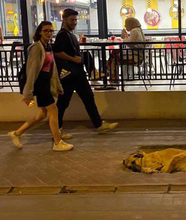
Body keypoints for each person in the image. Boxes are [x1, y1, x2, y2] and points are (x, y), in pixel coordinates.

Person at [8, 21, 73, 152]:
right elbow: (31, 71)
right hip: (40, 84)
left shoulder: (47, 47)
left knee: (42, 114)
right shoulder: (36, 48)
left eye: (51, 31)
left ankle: (16, 133)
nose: (49, 33)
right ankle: (57, 142)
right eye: (46, 31)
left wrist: (58, 86)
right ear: (39, 32)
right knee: (54, 111)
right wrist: (28, 94)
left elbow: (52, 69)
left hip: (45, 83)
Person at [53, 9, 118, 138]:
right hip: (69, 74)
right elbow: (57, 52)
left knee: (88, 97)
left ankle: (99, 124)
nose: (75, 22)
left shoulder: (69, 34)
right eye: (72, 20)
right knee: (63, 103)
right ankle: (57, 129)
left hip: (76, 73)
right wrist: (74, 59)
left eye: (76, 20)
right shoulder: (62, 35)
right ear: (64, 19)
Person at [107, 17, 146, 82]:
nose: (125, 26)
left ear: (131, 24)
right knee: (114, 55)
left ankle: (112, 77)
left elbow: (130, 43)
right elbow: (132, 42)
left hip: (134, 56)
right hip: (138, 55)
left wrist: (124, 38)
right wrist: (126, 38)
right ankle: (113, 77)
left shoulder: (134, 31)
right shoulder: (138, 30)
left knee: (113, 56)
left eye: (126, 24)